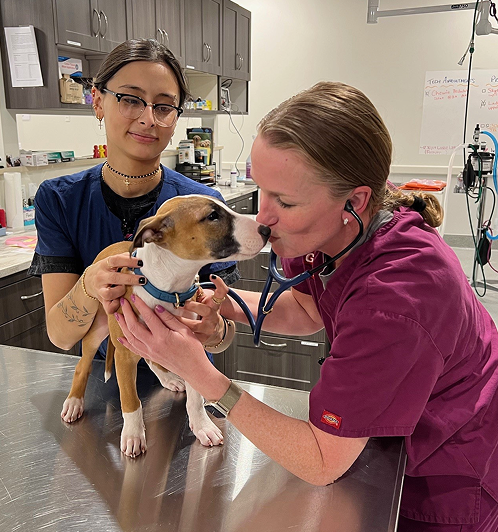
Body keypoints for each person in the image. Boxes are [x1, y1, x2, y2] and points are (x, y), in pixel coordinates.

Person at [115, 81, 498, 531]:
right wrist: (220, 304)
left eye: (285, 201)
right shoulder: (334, 226)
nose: (262, 217)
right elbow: (307, 309)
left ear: (354, 201)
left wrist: (201, 374)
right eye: (262, 190)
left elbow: (322, 461)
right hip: (388, 444)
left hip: (443, 476)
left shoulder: (396, 297)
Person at [29, 39, 238, 359]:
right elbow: (60, 336)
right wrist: (89, 284)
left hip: (187, 382)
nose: (148, 118)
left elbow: (223, 336)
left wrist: (217, 329)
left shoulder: (203, 204)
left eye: (164, 106)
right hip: (104, 381)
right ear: (98, 102)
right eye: (130, 100)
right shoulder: (60, 201)